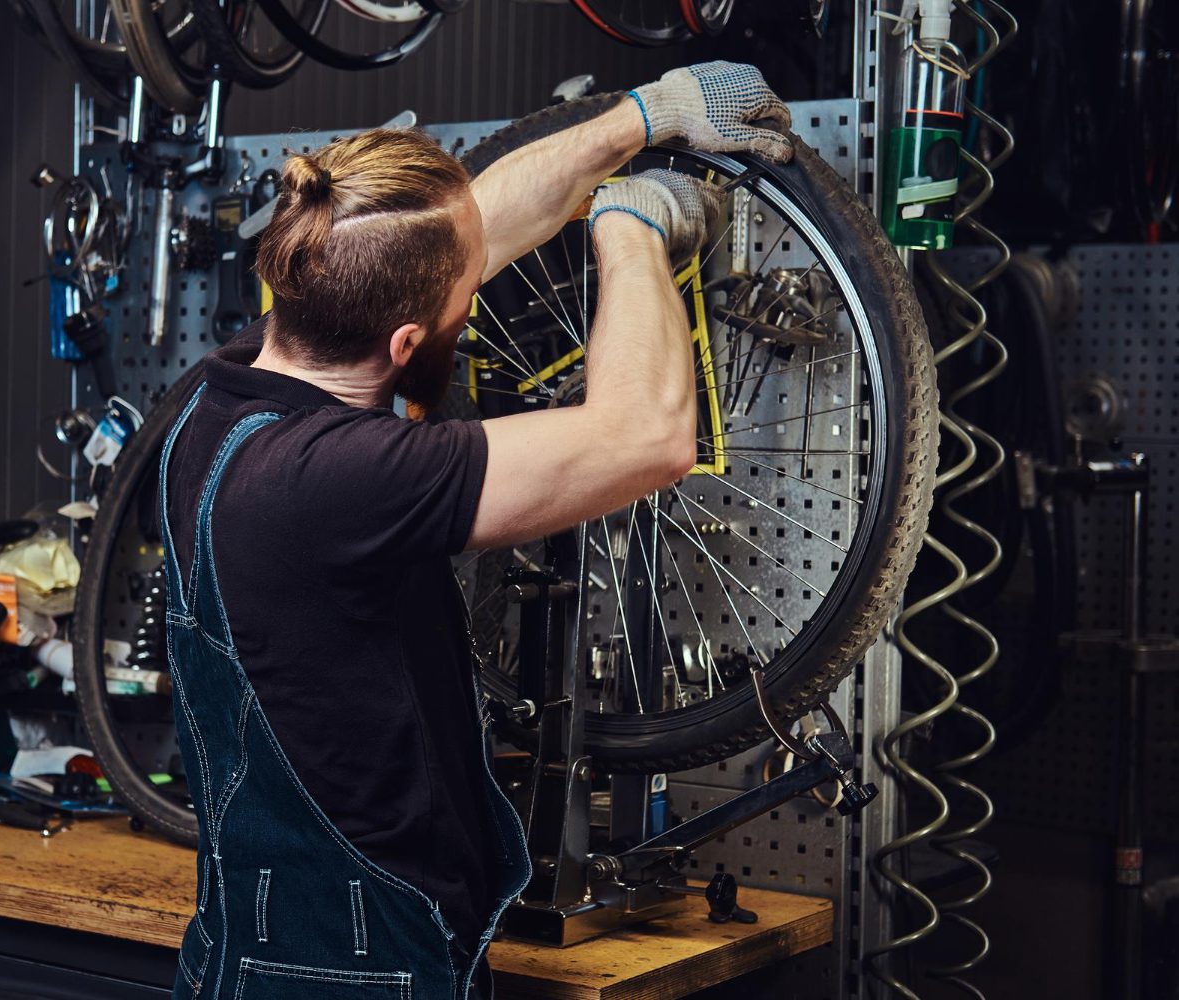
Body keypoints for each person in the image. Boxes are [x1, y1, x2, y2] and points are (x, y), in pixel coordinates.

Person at [159, 63, 793, 1000]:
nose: (479, 283)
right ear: (406, 344)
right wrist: (630, 229)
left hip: (262, 942)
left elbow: (460, 232)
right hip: (350, 969)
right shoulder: (339, 480)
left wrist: (642, 117)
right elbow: (644, 437)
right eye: (465, 296)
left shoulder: (220, 397)